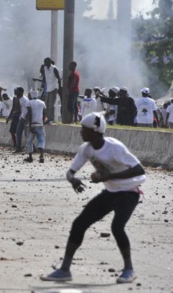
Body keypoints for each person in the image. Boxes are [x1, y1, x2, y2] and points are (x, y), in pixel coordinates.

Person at [40, 112, 146, 284]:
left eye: (84, 129)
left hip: (128, 192)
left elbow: (139, 169)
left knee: (117, 227)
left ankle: (129, 269)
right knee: (79, 223)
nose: (81, 132)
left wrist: (107, 177)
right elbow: (71, 171)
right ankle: (64, 269)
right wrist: (72, 180)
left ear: (95, 131)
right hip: (111, 193)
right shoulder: (87, 148)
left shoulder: (114, 147)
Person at [24, 90, 46, 163]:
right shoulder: (42, 102)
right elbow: (44, 114)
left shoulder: (29, 102)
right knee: (41, 140)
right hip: (40, 124)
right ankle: (42, 156)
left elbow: (29, 113)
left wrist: (30, 124)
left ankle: (30, 157)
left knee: (29, 141)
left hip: (32, 124)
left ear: (31, 95)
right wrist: (42, 122)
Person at [40, 57, 61, 123]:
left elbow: (59, 79)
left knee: (51, 105)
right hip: (48, 88)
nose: (44, 64)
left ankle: (51, 119)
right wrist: (43, 83)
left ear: (49, 62)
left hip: (54, 88)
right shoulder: (45, 68)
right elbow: (43, 75)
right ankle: (47, 118)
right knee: (46, 104)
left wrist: (59, 88)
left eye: (45, 62)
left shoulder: (54, 69)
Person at [14, 87, 29, 153]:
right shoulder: (19, 99)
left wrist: (27, 118)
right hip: (22, 118)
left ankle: (32, 147)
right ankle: (19, 147)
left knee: (27, 134)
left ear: (20, 92)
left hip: (25, 119)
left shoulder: (25, 100)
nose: (16, 92)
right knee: (18, 132)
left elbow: (29, 109)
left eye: (17, 91)